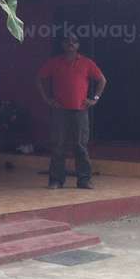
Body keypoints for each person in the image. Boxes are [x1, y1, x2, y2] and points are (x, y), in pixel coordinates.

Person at [36, 33, 107, 189]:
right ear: (62, 45)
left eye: (74, 41)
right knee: (58, 146)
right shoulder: (54, 63)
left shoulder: (87, 63)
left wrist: (95, 98)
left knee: (80, 146)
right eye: (67, 41)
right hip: (59, 111)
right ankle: (56, 180)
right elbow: (40, 78)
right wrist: (47, 99)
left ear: (78, 45)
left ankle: (84, 180)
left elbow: (102, 80)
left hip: (80, 110)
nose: (71, 44)